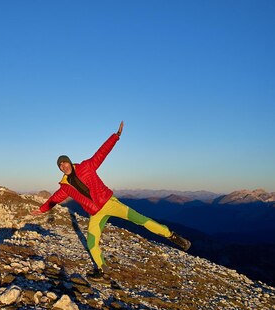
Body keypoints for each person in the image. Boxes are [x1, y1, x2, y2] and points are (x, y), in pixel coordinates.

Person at [31, 121, 191, 282]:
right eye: (60, 165)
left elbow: (102, 153)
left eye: (64, 162)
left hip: (109, 203)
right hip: (95, 213)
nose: (63, 166)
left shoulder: (86, 166)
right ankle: (102, 269)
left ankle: (170, 235)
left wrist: (116, 136)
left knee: (141, 220)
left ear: (69, 162)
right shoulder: (64, 186)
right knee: (92, 243)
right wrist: (42, 209)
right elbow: (54, 199)